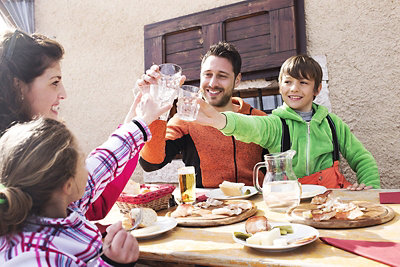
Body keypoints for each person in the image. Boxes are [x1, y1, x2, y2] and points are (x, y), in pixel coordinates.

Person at [0, 89, 170, 265]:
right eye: (82, 162)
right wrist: (112, 262)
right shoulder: (30, 256)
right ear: (68, 185)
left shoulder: (62, 203)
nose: (89, 167)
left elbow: (105, 160)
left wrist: (138, 122)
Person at [0, 29, 139, 220]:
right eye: (54, 82)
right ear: (18, 86)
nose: (63, 94)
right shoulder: (21, 154)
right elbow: (80, 198)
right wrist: (136, 127)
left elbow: (91, 204)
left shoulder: (44, 140)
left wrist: (134, 125)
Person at [194, 55, 380, 190]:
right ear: (280, 86)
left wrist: (370, 189)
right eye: (288, 82)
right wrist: (220, 120)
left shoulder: (333, 123)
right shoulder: (275, 124)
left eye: (303, 83)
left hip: (333, 201)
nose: (294, 89)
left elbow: (362, 159)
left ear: (317, 89)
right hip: (293, 205)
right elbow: (249, 126)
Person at [137, 41, 267, 188]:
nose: (212, 83)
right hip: (204, 207)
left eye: (222, 76)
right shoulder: (184, 119)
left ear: (237, 80)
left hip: (255, 207)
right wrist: (157, 108)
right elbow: (150, 164)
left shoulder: (259, 118)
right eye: (207, 75)